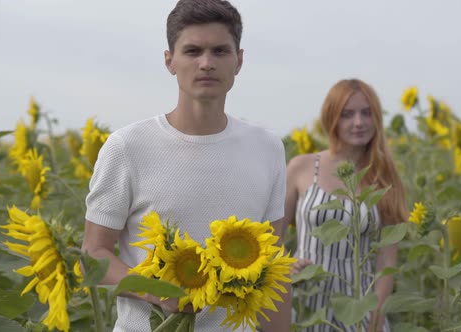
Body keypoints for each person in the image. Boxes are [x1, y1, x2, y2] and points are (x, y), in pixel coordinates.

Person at [80, 1, 290, 331]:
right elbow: (93, 253)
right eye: (193, 51)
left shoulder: (267, 148)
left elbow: (272, 264)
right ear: (170, 61)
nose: (206, 63)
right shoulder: (128, 147)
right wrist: (157, 291)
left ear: (239, 61)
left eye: (220, 51)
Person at [285, 79, 407, 332]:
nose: (359, 123)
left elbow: (386, 266)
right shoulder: (302, 167)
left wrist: (373, 324)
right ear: (331, 118)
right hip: (307, 306)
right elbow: (270, 238)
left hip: (361, 309)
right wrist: (283, 264)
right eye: (347, 114)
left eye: (366, 113)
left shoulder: (384, 178)